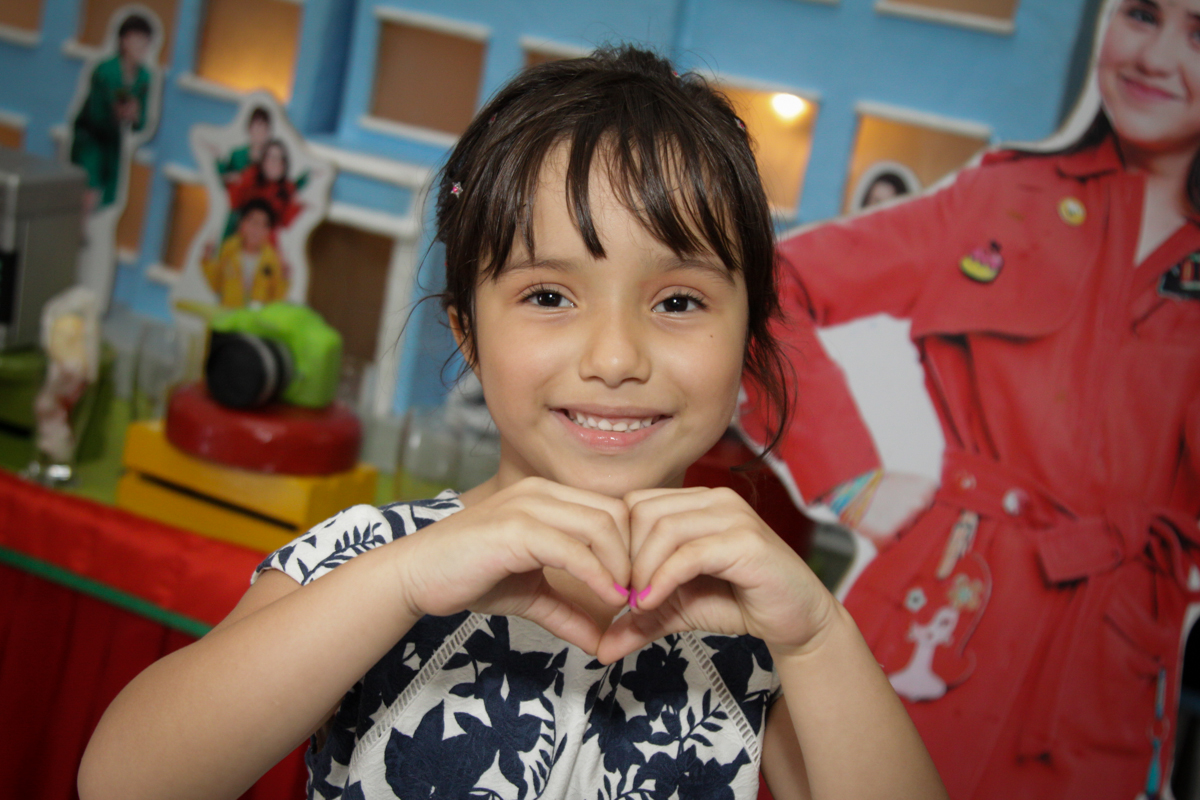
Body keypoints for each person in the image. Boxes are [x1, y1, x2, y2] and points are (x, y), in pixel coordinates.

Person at [76, 46, 946, 800]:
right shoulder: (372, 561)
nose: (614, 358)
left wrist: (817, 634)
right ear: (467, 329)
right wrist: (404, 584)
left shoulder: (763, 633)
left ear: (747, 338)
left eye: (678, 300)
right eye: (547, 295)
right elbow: (123, 783)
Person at [739, 1, 1200, 798]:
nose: (1157, 56)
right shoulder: (1004, 200)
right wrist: (848, 475)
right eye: (1141, 14)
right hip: (942, 606)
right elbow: (769, 291)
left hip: (1111, 670)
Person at [69, 13, 153, 214]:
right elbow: (95, 113)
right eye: (136, 39)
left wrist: (134, 115)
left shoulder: (144, 77)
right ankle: (79, 230)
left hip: (112, 142)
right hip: (90, 137)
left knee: (105, 192)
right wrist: (116, 113)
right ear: (124, 40)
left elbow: (140, 122)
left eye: (145, 41)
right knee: (89, 184)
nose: (141, 46)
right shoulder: (105, 70)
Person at [202, 198, 289, 308]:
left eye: (264, 225)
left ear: (268, 231)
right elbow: (216, 285)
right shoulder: (229, 249)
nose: (257, 229)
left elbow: (277, 298)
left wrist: (285, 277)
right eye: (253, 222)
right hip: (229, 313)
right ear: (242, 223)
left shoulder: (272, 259)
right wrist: (207, 259)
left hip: (255, 319)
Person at [215, 105, 272, 185]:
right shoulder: (237, 154)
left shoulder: (272, 158)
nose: (260, 132)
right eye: (257, 127)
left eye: (264, 128)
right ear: (250, 128)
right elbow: (221, 177)